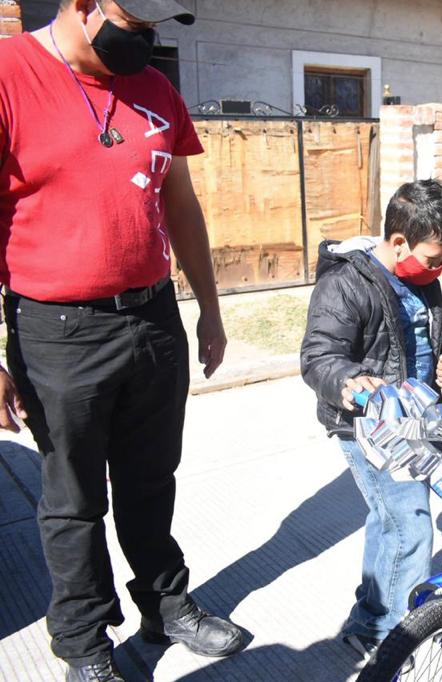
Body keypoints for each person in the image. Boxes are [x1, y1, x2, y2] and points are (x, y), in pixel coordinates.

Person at [0, 1, 245, 680]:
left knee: (149, 483)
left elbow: (180, 203)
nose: (144, 42)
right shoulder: (9, 74)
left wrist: (211, 311)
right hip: (57, 330)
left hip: (153, 318)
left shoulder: (157, 90)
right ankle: (84, 647)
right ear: (84, 5)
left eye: (155, 31)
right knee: (73, 501)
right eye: (135, 26)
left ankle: (165, 605)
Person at [300, 179, 442, 663]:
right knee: (412, 525)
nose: (440, 267)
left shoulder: (422, 282)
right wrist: (350, 380)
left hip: (415, 423)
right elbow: (318, 356)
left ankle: (370, 620)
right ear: (398, 243)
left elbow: (428, 340)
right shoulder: (346, 283)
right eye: (434, 257)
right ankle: (397, 636)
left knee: (388, 520)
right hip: (369, 429)